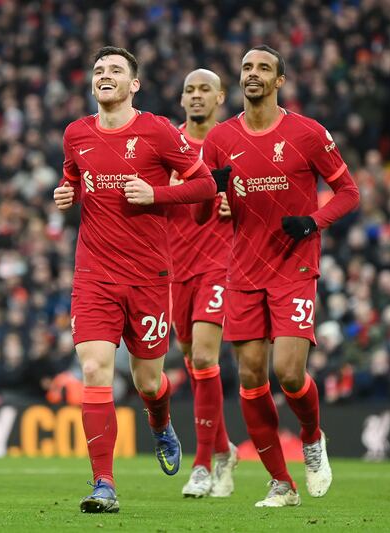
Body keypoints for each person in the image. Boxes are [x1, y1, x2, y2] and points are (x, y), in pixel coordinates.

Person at [53, 46, 221, 513]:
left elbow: (206, 184)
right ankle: (103, 483)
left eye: (115, 71)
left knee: (148, 381)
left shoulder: (158, 131)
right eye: (99, 70)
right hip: (94, 275)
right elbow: (74, 178)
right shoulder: (76, 134)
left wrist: (157, 193)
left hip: (149, 276)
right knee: (93, 370)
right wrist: (68, 193)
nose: (104, 76)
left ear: (134, 85)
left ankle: (160, 422)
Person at [201, 45, 360, 507]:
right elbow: (206, 212)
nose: (253, 74)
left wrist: (313, 222)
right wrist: (218, 203)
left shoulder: (306, 133)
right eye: (247, 67)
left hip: (294, 265)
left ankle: (312, 438)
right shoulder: (221, 138)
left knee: (290, 375)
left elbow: (349, 193)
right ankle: (280, 483)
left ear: (280, 81)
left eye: (263, 68)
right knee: (251, 379)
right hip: (243, 271)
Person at [168, 69, 238, 498]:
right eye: (190, 90)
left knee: (207, 357)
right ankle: (225, 447)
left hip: (221, 264)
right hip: (175, 269)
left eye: (204, 90)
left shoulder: (233, 144)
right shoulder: (168, 147)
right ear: (182, 100)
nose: (197, 96)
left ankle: (202, 463)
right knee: (193, 361)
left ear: (220, 98)